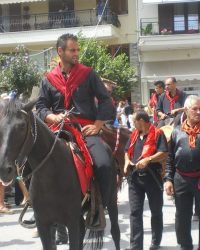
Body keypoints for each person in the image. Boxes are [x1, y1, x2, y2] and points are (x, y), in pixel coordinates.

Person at [36, 33, 115, 207]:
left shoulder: (88, 74)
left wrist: (97, 125)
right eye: (72, 50)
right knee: (33, 164)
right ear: (60, 51)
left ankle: (100, 205)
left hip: (85, 128)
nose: (76, 53)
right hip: (57, 129)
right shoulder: (48, 80)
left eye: (77, 50)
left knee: (103, 164)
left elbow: (105, 100)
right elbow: (41, 107)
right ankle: (37, 206)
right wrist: (54, 116)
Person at [164, 95, 200, 250]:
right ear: (186, 110)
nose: (199, 112)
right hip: (181, 179)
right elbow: (170, 158)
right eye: (195, 109)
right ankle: (185, 246)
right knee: (181, 216)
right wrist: (168, 179)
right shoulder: (176, 132)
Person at [123, 111, 168, 250]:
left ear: (141, 120)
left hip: (153, 178)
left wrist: (148, 159)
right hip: (135, 179)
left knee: (156, 211)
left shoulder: (158, 133)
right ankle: (136, 246)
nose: (133, 124)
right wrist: (126, 162)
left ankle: (155, 242)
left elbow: (164, 153)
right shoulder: (134, 135)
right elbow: (126, 151)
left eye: (134, 121)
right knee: (135, 212)